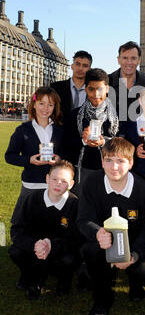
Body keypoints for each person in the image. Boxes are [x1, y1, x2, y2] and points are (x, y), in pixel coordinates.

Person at [77, 137, 145, 315]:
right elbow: (83, 219)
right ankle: (101, 302)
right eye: (109, 160)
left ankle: (136, 284)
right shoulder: (91, 182)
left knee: (144, 270)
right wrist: (98, 232)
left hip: (133, 242)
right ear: (102, 161)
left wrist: (134, 254)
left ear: (130, 163)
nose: (114, 167)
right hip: (103, 239)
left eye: (120, 161)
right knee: (90, 251)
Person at [9, 160, 84, 300]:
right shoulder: (32, 199)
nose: (58, 184)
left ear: (72, 184)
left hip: (59, 251)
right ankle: (31, 276)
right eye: (54, 179)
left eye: (64, 181)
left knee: (69, 259)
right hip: (36, 248)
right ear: (47, 179)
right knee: (15, 251)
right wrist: (34, 244)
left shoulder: (74, 204)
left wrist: (52, 245)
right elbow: (17, 230)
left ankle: (64, 278)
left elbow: (76, 237)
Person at [5, 86, 64, 222]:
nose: (45, 108)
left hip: (55, 187)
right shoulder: (23, 130)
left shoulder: (60, 130)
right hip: (31, 185)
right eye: (41, 103)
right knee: (23, 223)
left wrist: (60, 159)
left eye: (50, 104)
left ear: (55, 107)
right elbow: (9, 156)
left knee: (53, 224)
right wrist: (29, 160)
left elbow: (66, 154)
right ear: (34, 105)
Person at [62, 68, 119, 196]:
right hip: (81, 173)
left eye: (100, 89)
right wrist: (83, 140)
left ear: (107, 89)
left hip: (111, 171)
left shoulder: (118, 116)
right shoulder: (74, 115)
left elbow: (124, 144)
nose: (96, 94)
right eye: (91, 89)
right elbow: (65, 145)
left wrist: (104, 141)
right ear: (85, 89)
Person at [108, 41, 145, 124]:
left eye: (133, 58)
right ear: (119, 60)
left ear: (139, 60)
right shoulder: (107, 82)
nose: (129, 62)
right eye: (125, 58)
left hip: (140, 134)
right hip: (112, 135)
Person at [51, 50, 93, 122]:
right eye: (77, 64)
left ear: (90, 69)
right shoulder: (55, 88)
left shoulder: (94, 91)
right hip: (61, 132)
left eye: (85, 66)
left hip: (84, 132)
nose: (80, 68)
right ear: (72, 66)